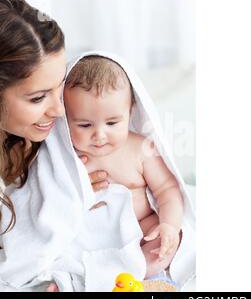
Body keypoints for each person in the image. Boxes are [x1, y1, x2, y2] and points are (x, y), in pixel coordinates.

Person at [0, 0, 109, 251]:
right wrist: (38, 219)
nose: (60, 110)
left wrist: (60, 193)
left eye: (60, 84)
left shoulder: (24, 138)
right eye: (38, 97)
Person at [63, 55, 184, 279]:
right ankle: (78, 278)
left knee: (161, 244)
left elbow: (167, 189)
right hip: (89, 238)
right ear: (66, 118)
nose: (99, 134)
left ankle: (130, 272)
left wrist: (169, 225)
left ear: (131, 111)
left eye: (112, 123)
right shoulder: (66, 156)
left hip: (139, 231)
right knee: (60, 246)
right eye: (84, 124)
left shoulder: (140, 149)